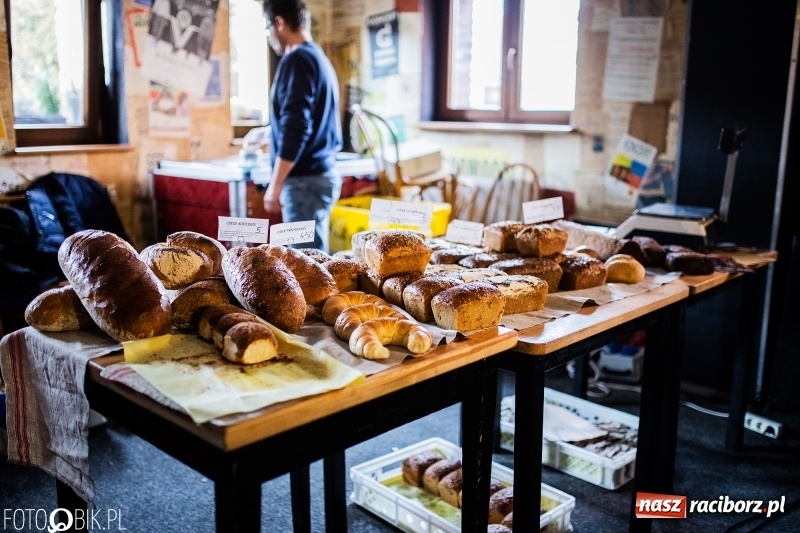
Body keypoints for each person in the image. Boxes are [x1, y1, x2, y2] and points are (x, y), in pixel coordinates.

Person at [261, 0, 343, 252]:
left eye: (267, 29)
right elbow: (306, 119)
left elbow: (296, 126)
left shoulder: (296, 59)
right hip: (319, 176)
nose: (269, 37)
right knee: (313, 261)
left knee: (305, 269)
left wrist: (275, 186)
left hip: (304, 181)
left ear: (280, 23)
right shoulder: (317, 57)